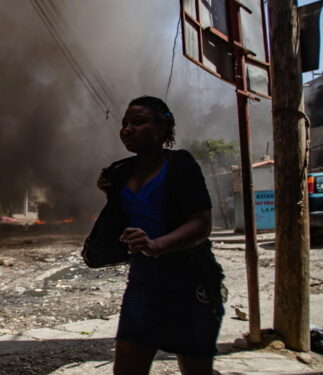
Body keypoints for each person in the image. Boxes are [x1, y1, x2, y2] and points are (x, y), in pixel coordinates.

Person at [85, 95, 225, 375]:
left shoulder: (181, 164)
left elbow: (201, 224)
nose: (127, 129)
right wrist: (109, 193)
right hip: (144, 282)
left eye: (138, 122)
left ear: (163, 128)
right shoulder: (119, 172)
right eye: (124, 123)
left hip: (190, 280)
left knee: (196, 368)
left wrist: (155, 245)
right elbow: (118, 215)